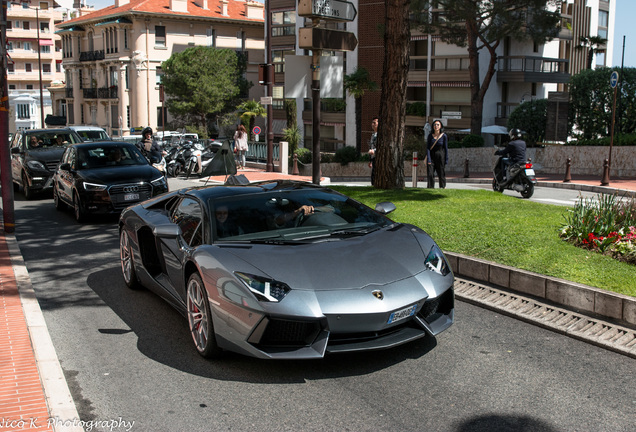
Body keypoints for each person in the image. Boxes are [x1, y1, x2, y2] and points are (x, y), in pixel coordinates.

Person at [426, 119, 448, 189]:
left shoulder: (444, 136)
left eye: (438, 124)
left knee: (441, 172)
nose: (436, 126)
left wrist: (446, 159)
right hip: (432, 156)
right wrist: (428, 159)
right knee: (430, 173)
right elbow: (428, 148)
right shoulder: (430, 136)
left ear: (440, 126)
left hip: (440, 156)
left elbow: (446, 148)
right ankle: (430, 187)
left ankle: (442, 186)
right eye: (435, 125)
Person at [368, 117, 378, 186]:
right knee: (373, 174)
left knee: (375, 174)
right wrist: (370, 160)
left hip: (378, 157)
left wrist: (374, 151)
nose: (372, 124)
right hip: (373, 158)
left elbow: (381, 146)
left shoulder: (380, 135)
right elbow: (371, 146)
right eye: (372, 123)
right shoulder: (373, 134)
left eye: (374, 123)